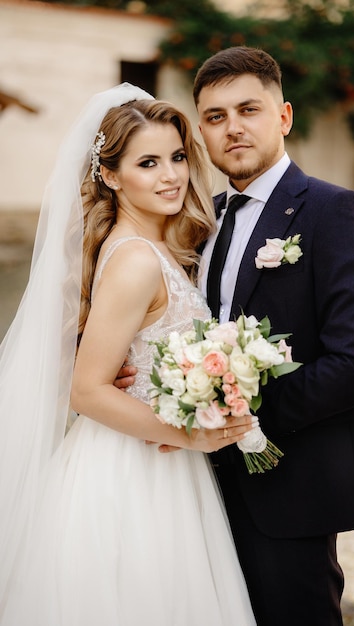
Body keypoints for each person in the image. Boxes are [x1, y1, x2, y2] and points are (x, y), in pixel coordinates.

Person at [116, 47, 354, 625]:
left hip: (292, 482)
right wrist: (139, 378)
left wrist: (231, 415)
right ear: (201, 133)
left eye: (249, 109)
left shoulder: (333, 212)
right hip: (197, 488)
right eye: (215, 117)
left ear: (283, 116)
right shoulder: (198, 219)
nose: (232, 127)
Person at [0, 83, 257, 625]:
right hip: (127, 472)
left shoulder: (153, 247)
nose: (171, 175)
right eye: (148, 163)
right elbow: (87, 390)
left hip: (154, 461)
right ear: (111, 176)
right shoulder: (137, 259)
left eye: (178, 157)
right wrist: (191, 432)